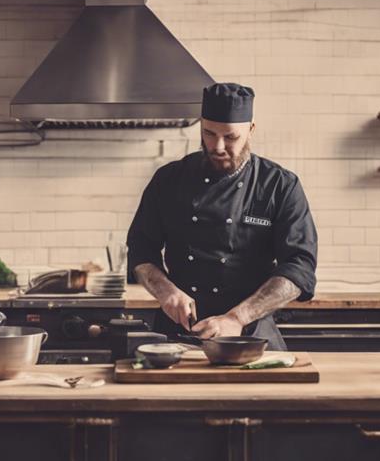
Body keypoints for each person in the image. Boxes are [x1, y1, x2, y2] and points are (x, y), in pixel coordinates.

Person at [126, 82, 317, 351]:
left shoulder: (279, 185)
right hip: (178, 336)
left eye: (230, 137)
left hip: (251, 336)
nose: (217, 146)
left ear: (251, 129)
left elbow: (300, 267)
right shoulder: (168, 180)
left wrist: (237, 317)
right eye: (209, 133)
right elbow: (141, 250)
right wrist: (165, 291)